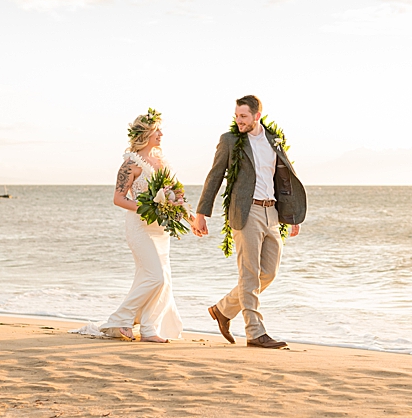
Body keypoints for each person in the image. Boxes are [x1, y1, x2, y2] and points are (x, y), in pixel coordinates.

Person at [194, 95, 306, 348]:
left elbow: (286, 178)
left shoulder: (272, 140)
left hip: (273, 212)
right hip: (247, 213)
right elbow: (214, 176)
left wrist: (293, 215)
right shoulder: (231, 141)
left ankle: (223, 310)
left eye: (243, 116)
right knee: (249, 274)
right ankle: (254, 332)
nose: (238, 120)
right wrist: (202, 213)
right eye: (236, 116)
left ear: (257, 116)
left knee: (268, 272)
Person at [75, 109, 186, 343]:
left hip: (160, 230)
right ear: (146, 133)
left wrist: (186, 214)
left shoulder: (161, 162)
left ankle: (148, 329)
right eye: (157, 130)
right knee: (156, 277)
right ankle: (121, 318)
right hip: (139, 227)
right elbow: (118, 198)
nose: (162, 134)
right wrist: (150, 208)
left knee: (160, 278)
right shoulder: (130, 164)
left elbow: (177, 193)